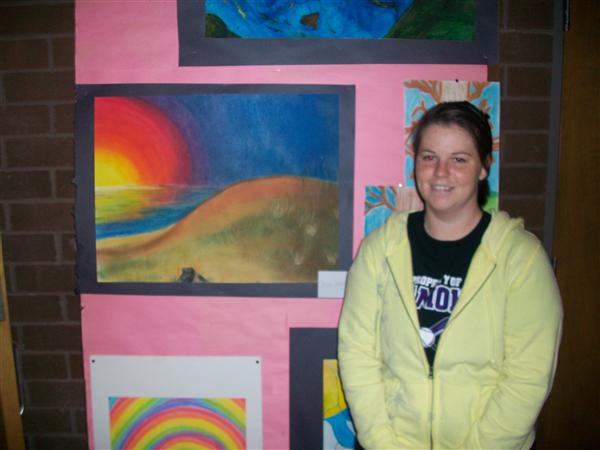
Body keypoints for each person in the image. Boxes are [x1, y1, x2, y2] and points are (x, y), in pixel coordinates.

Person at [338, 101, 563, 449]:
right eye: (429, 157)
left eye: (459, 159)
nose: (441, 172)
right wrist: (382, 443)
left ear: (484, 167)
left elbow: (528, 377)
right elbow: (357, 354)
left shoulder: (520, 258)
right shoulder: (379, 249)